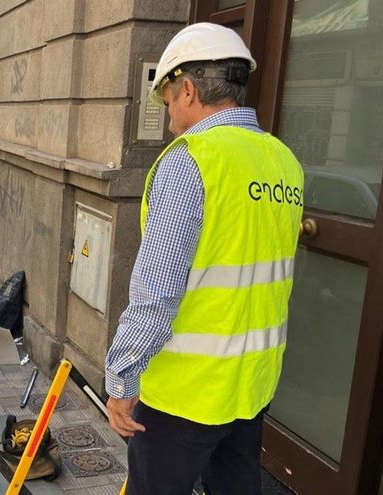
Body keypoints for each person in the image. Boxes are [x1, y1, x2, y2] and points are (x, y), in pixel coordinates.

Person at [103, 23, 304, 495]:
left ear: (189, 90)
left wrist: (122, 378)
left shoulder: (189, 161)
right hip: (251, 387)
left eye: (169, 100)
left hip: (185, 396)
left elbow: (157, 292)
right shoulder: (283, 162)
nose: (170, 116)